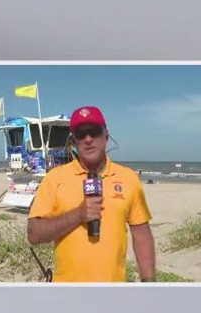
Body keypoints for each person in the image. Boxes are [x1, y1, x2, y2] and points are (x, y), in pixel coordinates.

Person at [26, 106, 156, 282]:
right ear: (73, 141)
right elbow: (34, 234)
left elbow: (141, 234)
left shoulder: (128, 178)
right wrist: (77, 215)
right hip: (66, 292)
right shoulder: (54, 178)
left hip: (113, 291)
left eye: (94, 132)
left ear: (106, 136)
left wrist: (149, 284)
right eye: (81, 134)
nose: (88, 139)